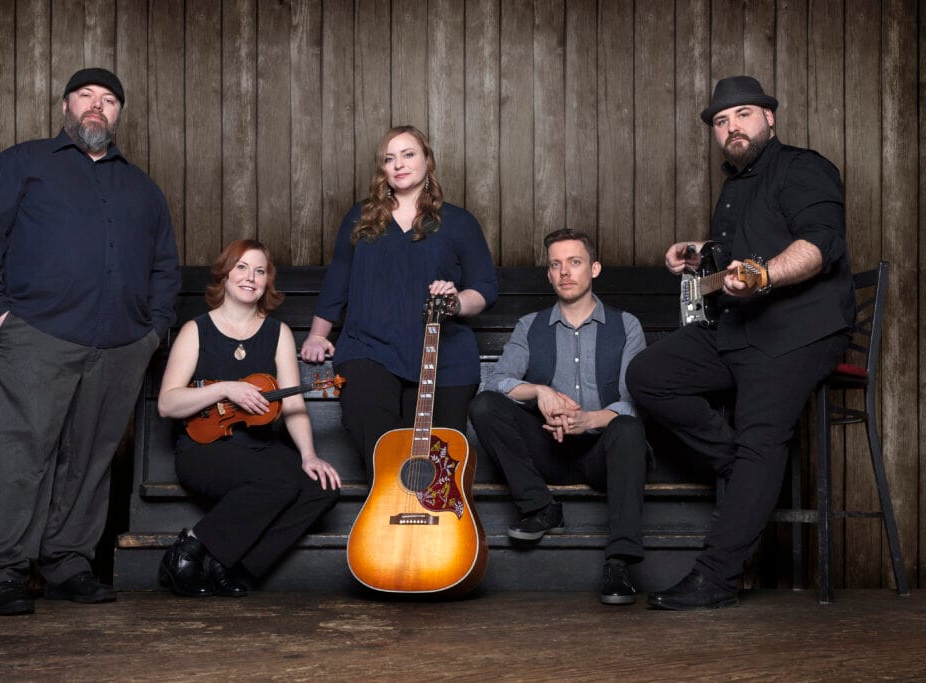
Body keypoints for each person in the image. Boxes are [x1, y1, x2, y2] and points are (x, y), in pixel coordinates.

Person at [626, 76, 854, 610]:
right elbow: (740, 249)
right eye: (721, 121)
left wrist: (763, 276)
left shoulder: (803, 168)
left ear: (769, 119)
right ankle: (737, 460)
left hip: (799, 330)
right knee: (648, 375)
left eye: (744, 114)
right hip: (739, 331)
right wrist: (699, 252)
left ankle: (716, 578)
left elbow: (820, 243)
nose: (732, 127)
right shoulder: (735, 187)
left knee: (762, 439)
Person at [0, 68, 180, 615]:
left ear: (118, 113)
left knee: (91, 458)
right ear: (65, 105)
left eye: (108, 100)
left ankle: (67, 562)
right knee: (25, 452)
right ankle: (2, 570)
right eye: (87, 95)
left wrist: (152, 331)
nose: (97, 106)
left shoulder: (143, 188)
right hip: (38, 335)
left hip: (123, 345)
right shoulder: (23, 164)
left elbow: (165, 266)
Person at [300, 125, 498, 478]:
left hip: (443, 356)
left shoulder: (459, 222)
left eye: (408, 155)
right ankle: (387, 519)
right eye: (389, 159)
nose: (399, 165)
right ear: (382, 170)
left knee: (434, 472)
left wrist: (456, 301)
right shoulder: (360, 217)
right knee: (384, 453)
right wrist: (317, 334)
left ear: (427, 161)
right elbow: (337, 280)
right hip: (370, 348)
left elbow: (484, 288)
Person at [468, 229, 648, 605]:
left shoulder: (626, 325)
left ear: (594, 269)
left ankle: (620, 563)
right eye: (556, 265)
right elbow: (497, 382)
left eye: (575, 262)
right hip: (548, 448)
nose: (565, 272)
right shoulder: (530, 325)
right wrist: (538, 392)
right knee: (484, 406)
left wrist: (592, 420)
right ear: (549, 275)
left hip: (604, 451)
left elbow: (636, 399)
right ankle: (540, 507)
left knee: (629, 428)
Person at [156, 239, 341, 597]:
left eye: (259, 271)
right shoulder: (196, 331)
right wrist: (225, 388)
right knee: (277, 484)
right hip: (204, 449)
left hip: (258, 447)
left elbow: (293, 404)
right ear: (224, 275)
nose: (250, 277)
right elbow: (167, 404)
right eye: (241, 267)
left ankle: (227, 563)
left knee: (322, 488)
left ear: (266, 282)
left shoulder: (278, 333)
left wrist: (308, 455)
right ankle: (189, 546)